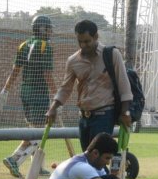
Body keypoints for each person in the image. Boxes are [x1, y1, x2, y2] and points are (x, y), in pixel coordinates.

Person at [46, 20, 133, 151]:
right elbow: (65, 88)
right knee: (87, 158)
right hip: (83, 118)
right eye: (79, 41)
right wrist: (53, 108)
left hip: (104, 115)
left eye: (87, 41)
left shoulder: (111, 54)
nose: (83, 45)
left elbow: (124, 86)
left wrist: (125, 112)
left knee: (97, 156)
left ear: (96, 37)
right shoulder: (73, 61)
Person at [0, 15, 57, 177]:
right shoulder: (45, 46)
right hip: (39, 94)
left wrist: (4, 91)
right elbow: (47, 74)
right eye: (49, 28)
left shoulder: (24, 44)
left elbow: (15, 71)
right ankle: (14, 159)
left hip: (25, 93)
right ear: (43, 29)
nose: (51, 31)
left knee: (34, 130)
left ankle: (37, 167)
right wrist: (57, 96)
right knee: (38, 133)